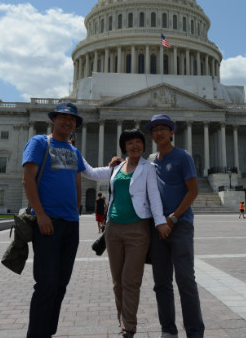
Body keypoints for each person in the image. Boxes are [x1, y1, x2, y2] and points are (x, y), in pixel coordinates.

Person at [81, 128, 170, 338]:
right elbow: (90, 173)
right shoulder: (117, 167)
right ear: (124, 146)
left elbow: (155, 197)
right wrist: (73, 151)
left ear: (143, 145)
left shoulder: (148, 168)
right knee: (117, 281)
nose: (135, 146)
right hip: (113, 229)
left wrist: (160, 223)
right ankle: (123, 320)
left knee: (131, 280)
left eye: (138, 142)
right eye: (130, 143)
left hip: (137, 229)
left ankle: (129, 327)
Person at [21, 102, 91, 338]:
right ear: (54, 120)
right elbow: (28, 179)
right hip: (48, 221)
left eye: (72, 119)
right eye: (63, 117)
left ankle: (47, 332)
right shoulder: (40, 142)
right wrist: (40, 214)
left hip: (70, 224)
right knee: (46, 284)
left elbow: (77, 180)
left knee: (60, 284)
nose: (68, 122)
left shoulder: (73, 151)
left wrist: (77, 212)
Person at [146, 114, 204, 338]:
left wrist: (173, 218)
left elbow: (193, 191)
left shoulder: (183, 157)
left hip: (179, 225)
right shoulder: (151, 160)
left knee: (185, 280)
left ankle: (194, 331)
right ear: (151, 134)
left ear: (172, 132)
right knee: (161, 282)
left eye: (164, 128)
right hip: (157, 226)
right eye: (155, 129)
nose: (159, 132)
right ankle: (168, 329)